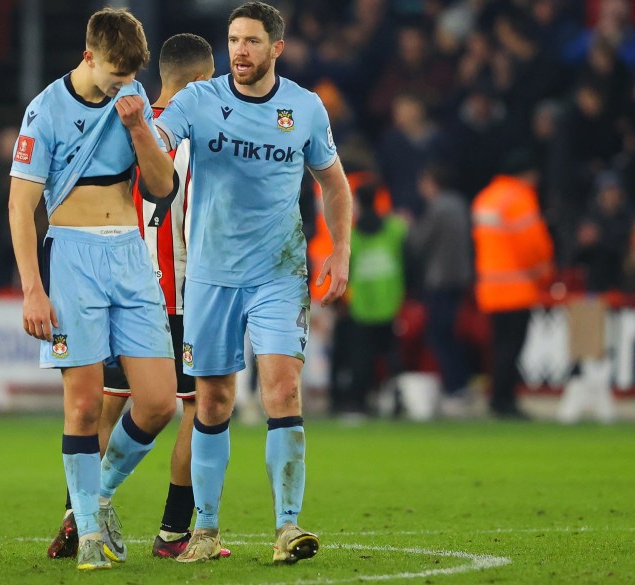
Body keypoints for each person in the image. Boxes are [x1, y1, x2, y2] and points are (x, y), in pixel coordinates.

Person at [139, 1, 352, 564]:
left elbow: (333, 182)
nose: (240, 51)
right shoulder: (197, 101)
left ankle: (288, 527)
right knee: (213, 399)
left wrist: (341, 250)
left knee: (283, 388)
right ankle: (204, 532)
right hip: (210, 275)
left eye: (252, 41)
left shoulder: (304, 108)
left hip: (280, 271)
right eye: (233, 40)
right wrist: (141, 134)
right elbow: (158, 160)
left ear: (276, 48)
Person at [45, 33, 229, 561]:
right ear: (202, 81)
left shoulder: (117, 125)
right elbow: (197, 214)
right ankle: (173, 532)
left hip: (114, 280)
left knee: (100, 408)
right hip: (185, 295)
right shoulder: (197, 136)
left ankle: (78, 518)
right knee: (200, 410)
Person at [8, 8, 178, 572]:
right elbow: (21, 205)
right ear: (88, 56)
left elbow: (162, 188)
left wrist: (137, 126)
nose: (121, 85)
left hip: (129, 256)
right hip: (73, 257)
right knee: (82, 406)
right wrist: (33, 289)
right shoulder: (46, 110)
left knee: (156, 405)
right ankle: (88, 537)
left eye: (130, 77)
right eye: (113, 74)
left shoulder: (131, 105)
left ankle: (96, 501)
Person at [471, 150, 554, 419]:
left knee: (499, 347)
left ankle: (498, 397)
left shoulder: (486, 198)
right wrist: (544, 272)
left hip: (490, 288)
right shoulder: (519, 198)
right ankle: (504, 400)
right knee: (512, 347)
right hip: (517, 288)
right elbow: (532, 243)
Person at [408, 164, 474, 416]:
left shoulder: (437, 208)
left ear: (432, 182)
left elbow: (419, 242)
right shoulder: (459, 204)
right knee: (451, 332)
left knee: (439, 335)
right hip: (460, 278)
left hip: (440, 280)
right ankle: (460, 384)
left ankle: (456, 386)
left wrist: (408, 225)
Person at [345, 183, 407, 418]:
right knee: (392, 358)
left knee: (362, 358)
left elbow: (346, 269)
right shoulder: (395, 229)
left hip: (362, 305)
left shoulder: (352, 234)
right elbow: (409, 263)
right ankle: (397, 402)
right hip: (390, 302)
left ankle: (359, 403)